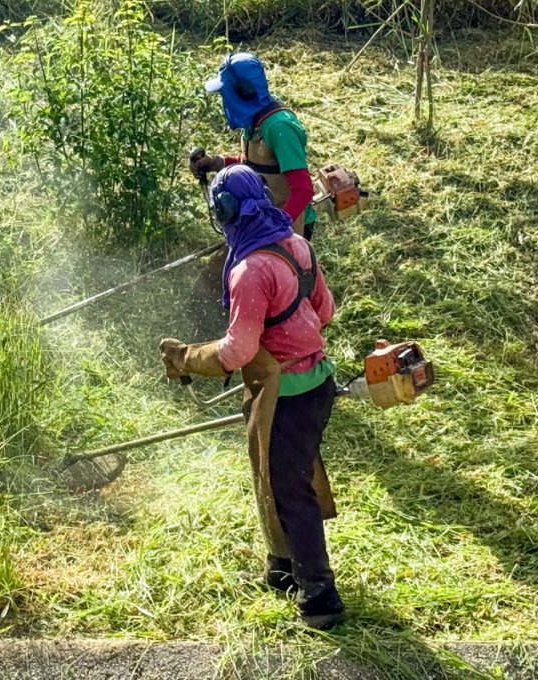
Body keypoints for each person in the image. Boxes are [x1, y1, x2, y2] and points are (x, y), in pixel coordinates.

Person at [160, 164, 345, 630]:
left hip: (287, 393)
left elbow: (238, 350)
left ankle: (320, 598)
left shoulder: (248, 270)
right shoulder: (296, 245)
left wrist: (189, 357)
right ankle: (283, 568)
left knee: (290, 491)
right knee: (274, 471)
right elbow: (325, 310)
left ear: (225, 212)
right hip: (315, 382)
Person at [190, 51, 318, 239]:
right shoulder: (256, 118)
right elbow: (257, 165)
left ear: (243, 92)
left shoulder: (279, 128)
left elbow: (303, 189)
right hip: (264, 218)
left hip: (288, 225)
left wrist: (277, 225)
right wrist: (217, 163)